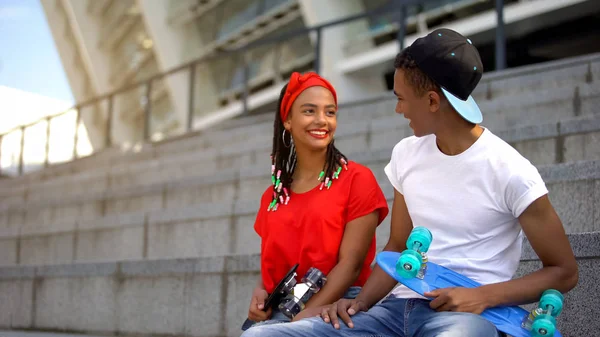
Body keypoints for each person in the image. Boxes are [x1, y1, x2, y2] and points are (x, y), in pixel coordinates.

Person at [239, 28, 578, 337]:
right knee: (261, 336)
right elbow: (397, 246)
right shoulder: (406, 155)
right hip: (390, 310)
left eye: (401, 98)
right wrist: (360, 304)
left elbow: (564, 271)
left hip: (461, 317)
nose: (399, 109)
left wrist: (480, 297)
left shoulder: (511, 171)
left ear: (432, 101)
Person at [241, 71, 389, 331]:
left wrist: (306, 313)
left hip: (338, 306)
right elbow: (273, 264)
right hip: (282, 309)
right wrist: (260, 291)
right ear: (287, 120)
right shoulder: (273, 196)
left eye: (330, 112)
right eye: (310, 111)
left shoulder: (357, 179)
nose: (322, 121)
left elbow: (351, 265)